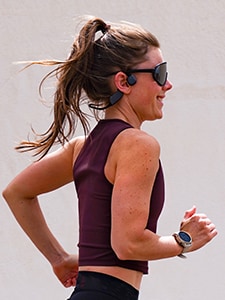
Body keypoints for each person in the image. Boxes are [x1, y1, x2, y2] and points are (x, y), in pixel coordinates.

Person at [2, 16, 217, 300]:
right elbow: (128, 244)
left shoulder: (82, 147)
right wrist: (184, 240)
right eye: (160, 74)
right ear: (123, 82)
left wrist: (59, 258)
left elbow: (17, 192)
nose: (168, 85)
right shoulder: (138, 144)